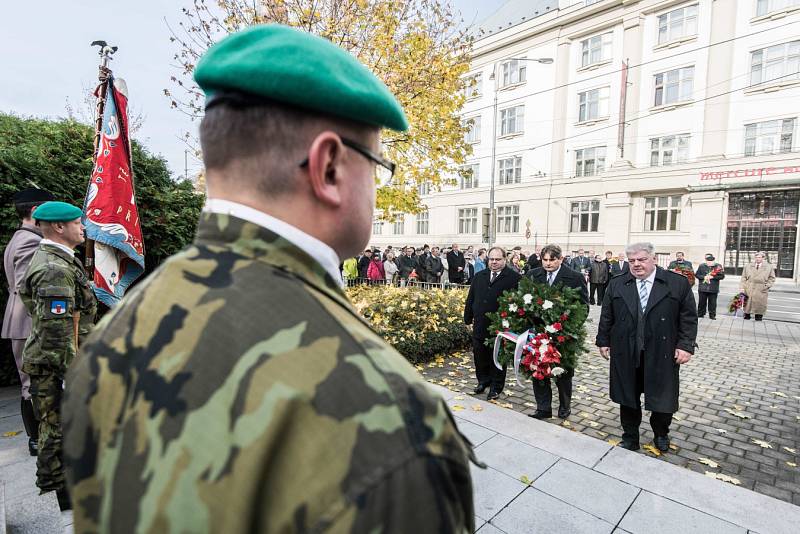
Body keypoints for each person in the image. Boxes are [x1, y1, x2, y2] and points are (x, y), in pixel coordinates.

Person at [62, 25, 475, 533]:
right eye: (379, 164)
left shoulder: (114, 333)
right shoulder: (389, 418)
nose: (378, 184)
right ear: (328, 167)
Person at [18, 201, 97, 511]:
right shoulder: (53, 268)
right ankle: (62, 494)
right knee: (58, 426)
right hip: (56, 361)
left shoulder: (60, 259)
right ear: (60, 228)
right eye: (78, 223)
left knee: (61, 424)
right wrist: (70, 374)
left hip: (62, 355)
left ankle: (65, 488)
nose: (83, 228)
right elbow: (56, 332)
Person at [596, 242, 697, 452]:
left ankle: (661, 433)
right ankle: (630, 436)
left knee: (662, 398)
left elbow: (688, 318)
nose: (636, 265)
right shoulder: (617, 283)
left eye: (641, 260)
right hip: (626, 351)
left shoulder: (676, 283)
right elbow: (607, 315)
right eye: (632, 261)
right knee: (628, 397)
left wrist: (685, 346)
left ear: (654, 259)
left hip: (662, 352)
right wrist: (603, 340)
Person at [2, 188, 54, 457]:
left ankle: (36, 439)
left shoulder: (21, 237)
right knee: (32, 383)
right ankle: (37, 439)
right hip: (29, 320)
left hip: (21, 319)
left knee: (30, 381)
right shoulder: (29, 242)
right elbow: (27, 285)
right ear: (35, 212)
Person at [527, 244, 588, 419]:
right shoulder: (532, 275)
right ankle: (543, 408)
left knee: (563, 373)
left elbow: (583, 306)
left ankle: (564, 406)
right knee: (538, 371)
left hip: (563, 335)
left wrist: (569, 328)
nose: (547, 263)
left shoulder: (575, 277)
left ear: (561, 259)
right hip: (538, 334)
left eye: (552, 260)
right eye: (544, 260)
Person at [464, 247, 521, 401]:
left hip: (501, 327)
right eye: (491, 259)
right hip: (480, 323)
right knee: (479, 355)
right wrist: (467, 318)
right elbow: (471, 298)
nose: (494, 262)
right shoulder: (479, 276)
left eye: (498, 259)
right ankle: (483, 381)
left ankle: (496, 387)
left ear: (505, 260)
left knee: (497, 357)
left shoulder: (514, 278)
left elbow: (519, 305)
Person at [740, 252, 775, 321]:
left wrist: (767, 285)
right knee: (748, 303)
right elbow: (743, 277)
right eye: (756, 257)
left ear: (763, 258)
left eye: (759, 257)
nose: (757, 259)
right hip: (749, 286)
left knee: (760, 304)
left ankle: (758, 317)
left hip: (761, 288)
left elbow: (772, 278)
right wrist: (742, 287)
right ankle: (746, 315)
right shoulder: (748, 266)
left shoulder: (769, 267)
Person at [695, 254, 725, 320]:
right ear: (706, 261)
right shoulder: (702, 266)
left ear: (714, 261)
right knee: (701, 302)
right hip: (703, 288)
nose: (709, 263)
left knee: (713, 303)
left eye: (711, 262)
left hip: (713, 288)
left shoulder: (718, 266)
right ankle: (700, 313)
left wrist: (713, 277)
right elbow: (697, 275)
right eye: (708, 262)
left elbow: (722, 276)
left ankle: (712, 315)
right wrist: (704, 277)